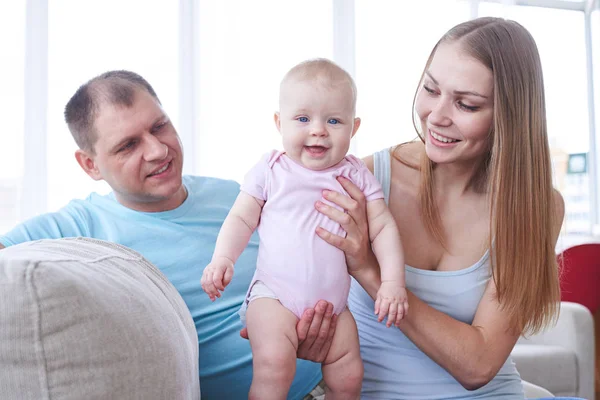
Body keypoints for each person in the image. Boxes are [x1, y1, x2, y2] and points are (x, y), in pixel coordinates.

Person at [0, 70, 336, 400]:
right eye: (128, 145)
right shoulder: (77, 226)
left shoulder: (233, 195)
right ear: (91, 165)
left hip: (334, 374)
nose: (158, 151)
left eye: (160, 126)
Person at [312, 17, 565, 399]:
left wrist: (369, 270)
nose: (437, 115)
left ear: (509, 118)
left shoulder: (535, 206)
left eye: (467, 103)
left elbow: (478, 365)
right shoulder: (364, 180)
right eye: (431, 89)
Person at [201, 59, 408, 400]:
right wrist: (223, 258)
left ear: (354, 128)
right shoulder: (271, 169)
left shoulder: (356, 174)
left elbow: (384, 227)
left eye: (333, 120)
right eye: (302, 119)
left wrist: (392, 282)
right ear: (279, 123)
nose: (318, 130)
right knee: (274, 367)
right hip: (275, 297)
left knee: (350, 373)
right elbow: (240, 218)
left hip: (335, 308)